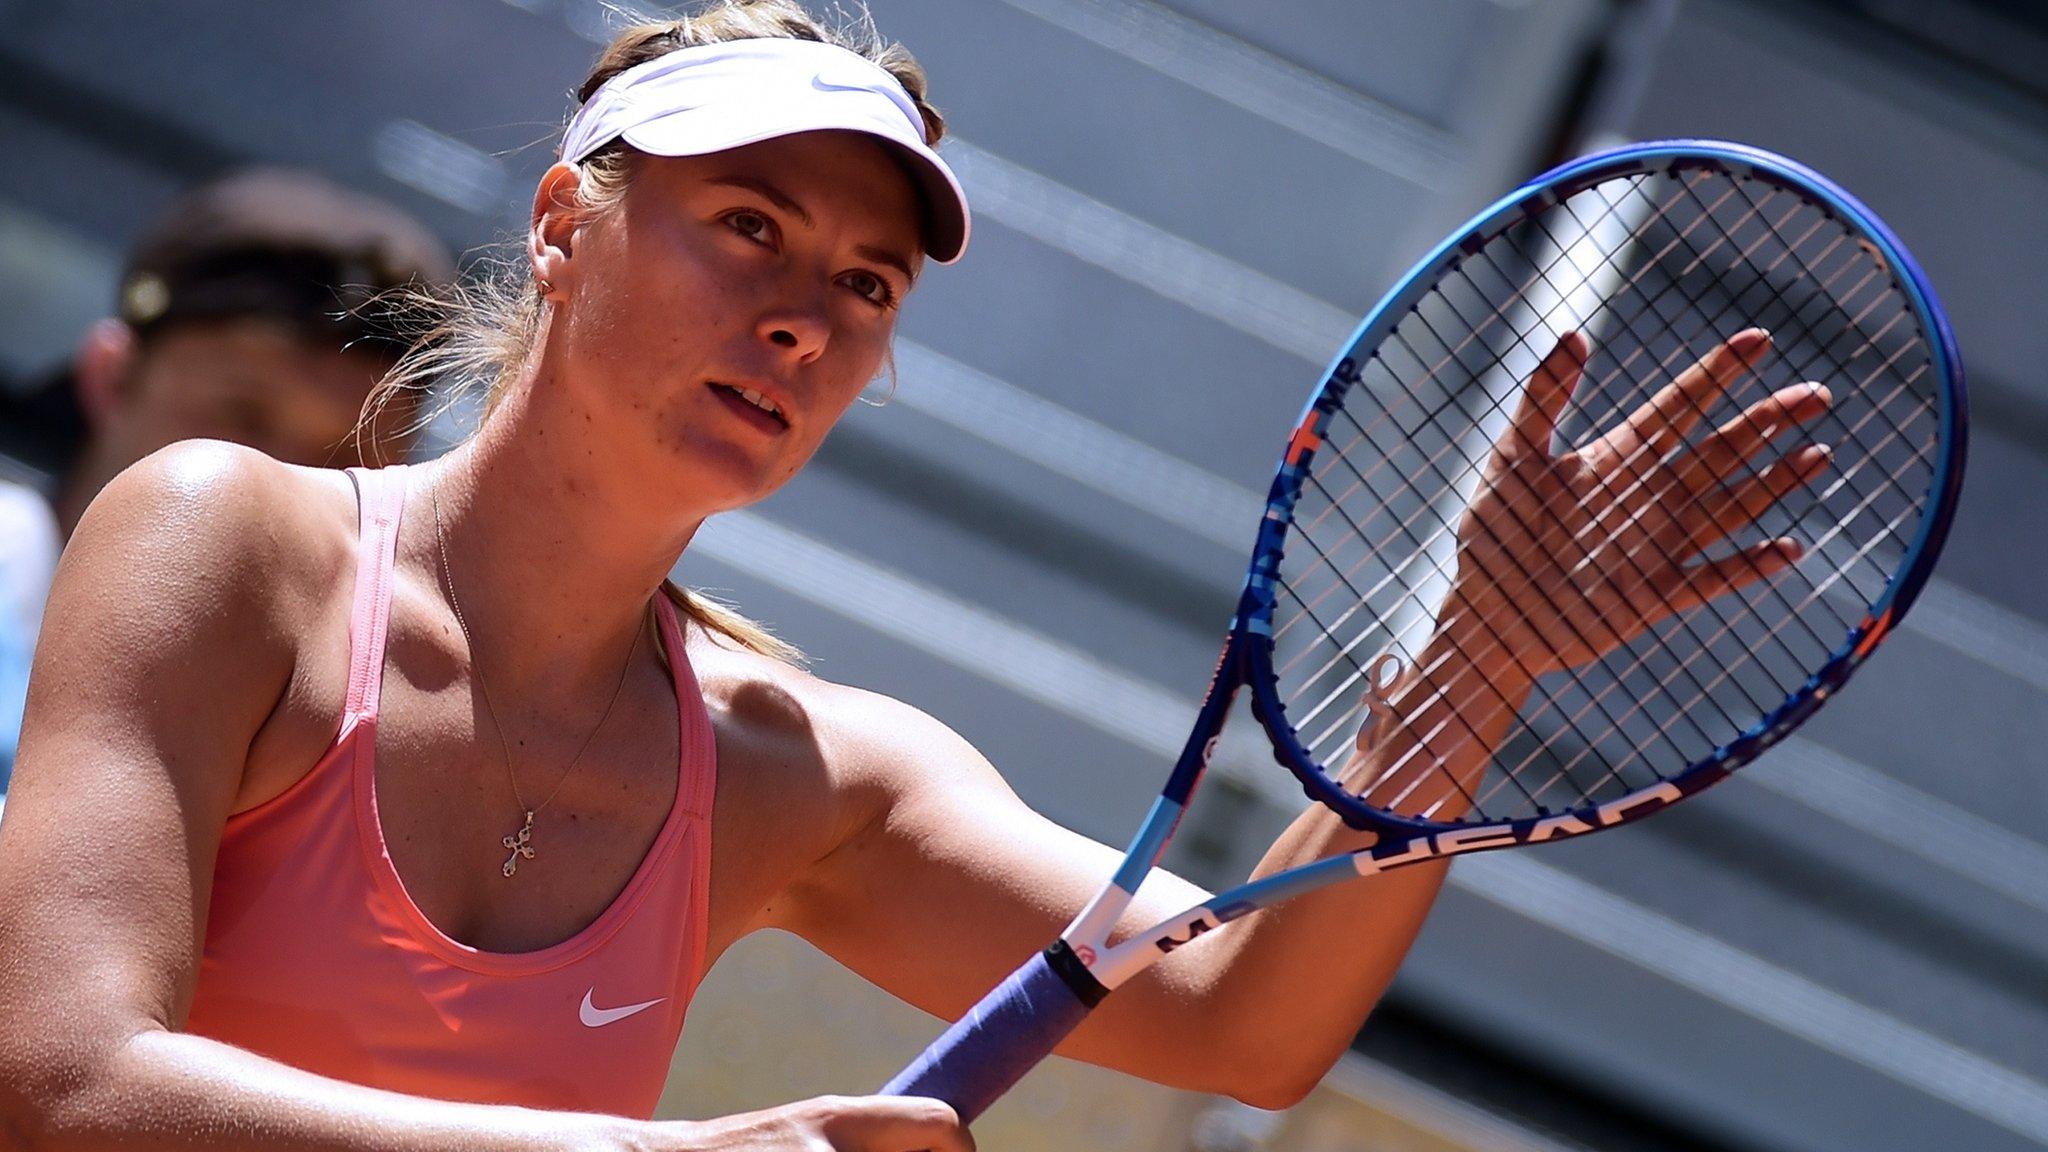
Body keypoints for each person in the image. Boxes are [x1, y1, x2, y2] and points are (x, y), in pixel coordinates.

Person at [0, 3, 1825, 1150]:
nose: (804, 313)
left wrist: (1473, 656)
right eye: (749, 228)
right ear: (564, 227)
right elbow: (55, 1080)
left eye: (869, 285)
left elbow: (1246, 1026)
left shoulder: (809, 774)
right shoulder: (221, 543)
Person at [0, 168, 454, 792]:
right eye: (240, 415)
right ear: (111, 376)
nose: (278, 485)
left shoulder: (391, 754)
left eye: (348, 455)